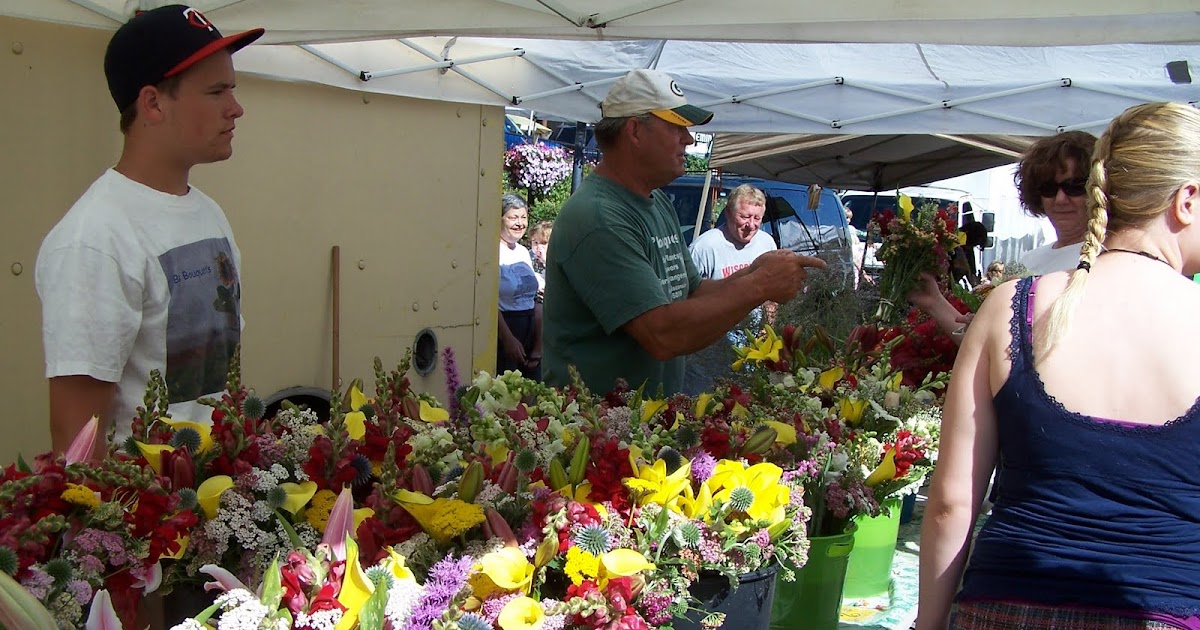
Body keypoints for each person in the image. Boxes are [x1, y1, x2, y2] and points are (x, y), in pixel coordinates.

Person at [917, 102, 1200, 630]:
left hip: (1004, 607)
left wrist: (926, 626)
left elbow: (952, 504)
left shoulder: (1011, 307)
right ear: (1186, 200)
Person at [35, 5, 263, 453]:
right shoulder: (96, 239)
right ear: (153, 103)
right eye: (217, 92)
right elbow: (77, 441)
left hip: (219, 499)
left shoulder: (208, 214)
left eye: (232, 89)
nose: (236, 109)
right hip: (146, 513)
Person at [542, 69, 825, 395]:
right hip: (594, 430)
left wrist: (755, 271)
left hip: (640, 424)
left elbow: (690, 293)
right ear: (634, 131)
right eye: (676, 126)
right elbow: (662, 336)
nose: (688, 139)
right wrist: (760, 284)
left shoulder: (655, 201)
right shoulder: (598, 216)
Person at [909, 131, 1098, 343]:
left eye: (1074, 187)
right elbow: (994, 350)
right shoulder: (1028, 261)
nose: (1061, 198)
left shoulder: (1106, 261)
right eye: (1049, 188)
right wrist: (933, 301)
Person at [682, 184, 777, 394]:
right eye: (744, 217)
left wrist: (768, 327)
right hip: (711, 345)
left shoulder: (766, 244)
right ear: (728, 213)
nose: (751, 225)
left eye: (757, 219)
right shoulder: (706, 247)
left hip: (753, 344)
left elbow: (772, 293)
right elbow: (687, 297)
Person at [497, 193, 542, 380]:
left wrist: (538, 347)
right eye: (513, 217)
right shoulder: (491, 250)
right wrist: (507, 339)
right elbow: (488, 301)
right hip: (506, 331)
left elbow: (534, 299)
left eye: (523, 217)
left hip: (530, 332)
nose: (520, 223)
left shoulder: (523, 252)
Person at [528, 220, 553, 299]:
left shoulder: (556, 259)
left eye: (544, 243)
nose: (539, 247)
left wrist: (545, 261)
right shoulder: (528, 256)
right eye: (535, 243)